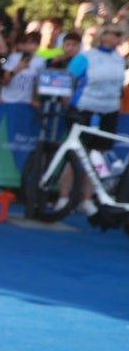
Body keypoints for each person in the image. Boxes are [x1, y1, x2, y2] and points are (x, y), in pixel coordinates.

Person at [55, 21, 127, 217]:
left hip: (108, 112)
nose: (118, 37)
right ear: (103, 35)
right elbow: (66, 81)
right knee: (76, 154)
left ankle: (86, 199)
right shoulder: (85, 57)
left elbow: (119, 87)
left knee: (97, 156)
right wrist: (67, 104)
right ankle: (63, 197)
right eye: (114, 33)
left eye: (120, 34)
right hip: (84, 109)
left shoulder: (119, 60)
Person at [0, 29, 46, 104]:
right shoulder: (13, 57)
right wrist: (17, 68)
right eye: (29, 43)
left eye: (35, 43)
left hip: (25, 101)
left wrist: (34, 98)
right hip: (7, 99)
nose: (32, 46)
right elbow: (4, 80)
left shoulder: (40, 61)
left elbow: (37, 82)